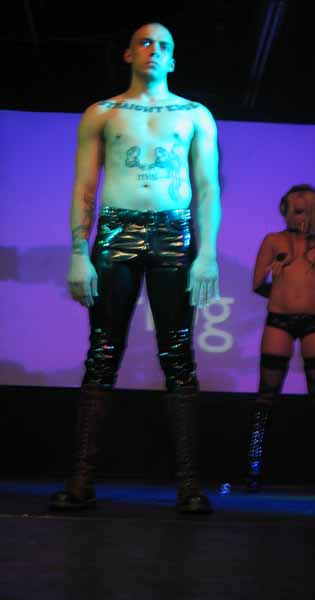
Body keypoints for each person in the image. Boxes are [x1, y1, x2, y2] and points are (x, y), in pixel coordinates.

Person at [49, 22, 220, 515]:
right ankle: (81, 482)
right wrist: (78, 251)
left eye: (164, 45)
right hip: (115, 231)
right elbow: (85, 185)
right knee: (102, 351)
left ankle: (189, 486)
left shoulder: (194, 114)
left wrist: (207, 253)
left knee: (179, 355)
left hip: (174, 232)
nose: (154, 50)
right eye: (145, 42)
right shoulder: (102, 112)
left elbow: (207, 187)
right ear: (128, 54)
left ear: (173, 59)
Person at [246, 184, 315, 502]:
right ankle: (253, 471)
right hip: (279, 320)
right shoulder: (273, 241)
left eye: (306, 209)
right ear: (285, 211)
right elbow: (257, 284)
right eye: (294, 209)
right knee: (266, 395)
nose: (299, 215)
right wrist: (275, 277)